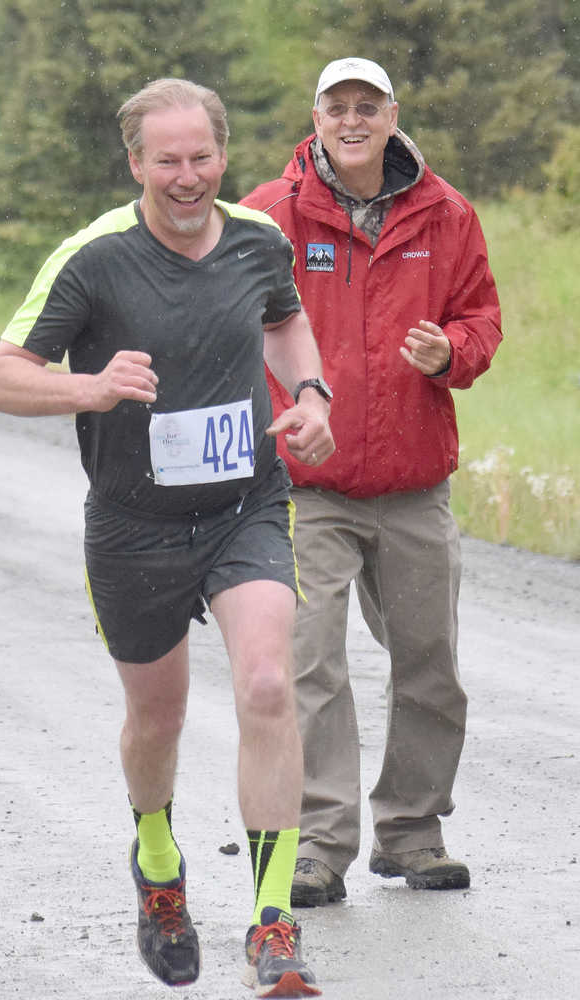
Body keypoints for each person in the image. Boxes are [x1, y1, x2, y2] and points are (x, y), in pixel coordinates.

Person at [0, 77, 335, 997]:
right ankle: (158, 860)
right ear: (134, 162)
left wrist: (308, 396)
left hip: (245, 505)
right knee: (158, 717)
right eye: (166, 160)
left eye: (202, 157)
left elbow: (286, 319)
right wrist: (89, 387)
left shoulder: (257, 240)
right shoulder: (92, 258)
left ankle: (271, 922)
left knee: (264, 683)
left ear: (224, 154)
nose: (186, 177)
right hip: (133, 524)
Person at [241, 57, 502, 904]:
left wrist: (451, 353)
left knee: (429, 663)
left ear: (392, 115)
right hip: (304, 486)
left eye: (366, 106)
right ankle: (320, 845)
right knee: (309, 665)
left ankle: (413, 832)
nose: (350, 120)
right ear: (313, 117)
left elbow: (480, 315)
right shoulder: (268, 213)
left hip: (412, 483)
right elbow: (225, 321)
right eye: (334, 106)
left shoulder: (445, 211)